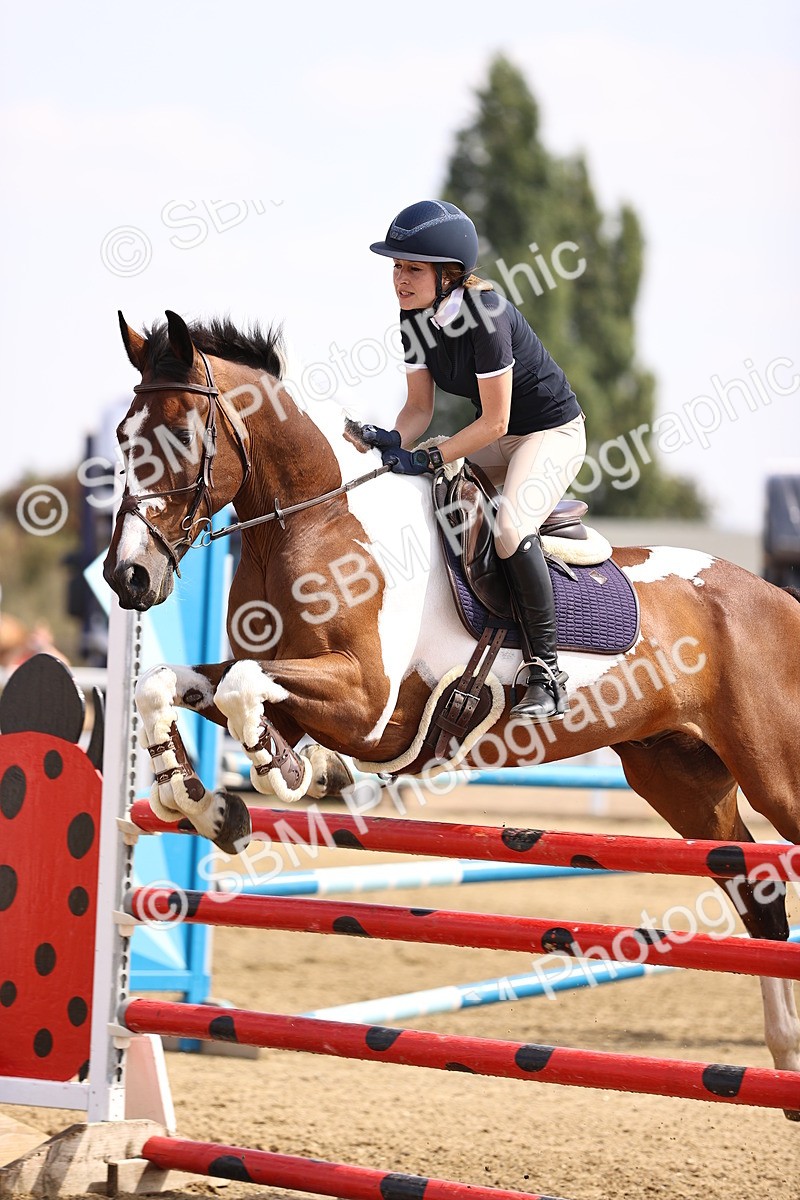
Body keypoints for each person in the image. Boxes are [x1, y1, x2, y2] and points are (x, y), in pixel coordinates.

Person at [365, 199, 586, 722]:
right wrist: (392, 440)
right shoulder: (412, 317)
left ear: (449, 276)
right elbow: (420, 409)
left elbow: (495, 424)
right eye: (396, 266)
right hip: (500, 433)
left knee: (509, 525)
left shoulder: (486, 316)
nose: (399, 278)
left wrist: (433, 454)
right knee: (420, 491)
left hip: (549, 433)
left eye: (412, 268)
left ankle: (547, 672)